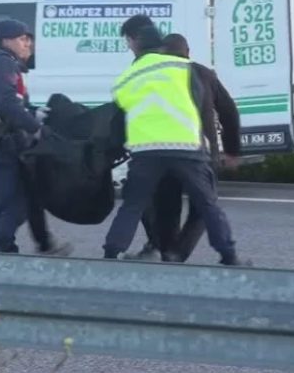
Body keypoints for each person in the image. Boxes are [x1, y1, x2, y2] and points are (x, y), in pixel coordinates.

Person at [102, 14, 249, 266]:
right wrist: (229, 148)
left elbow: (121, 115)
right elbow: (203, 102)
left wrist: (111, 151)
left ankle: (113, 253)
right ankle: (227, 255)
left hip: (146, 151)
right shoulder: (187, 69)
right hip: (188, 147)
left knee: (136, 204)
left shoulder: (128, 76)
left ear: (134, 43)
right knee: (207, 205)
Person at [0, 18, 72, 256]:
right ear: (7, 41)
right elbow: (6, 103)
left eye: (29, 39)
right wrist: (35, 127)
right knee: (13, 205)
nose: (27, 44)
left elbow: (13, 103)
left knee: (23, 198)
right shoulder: (3, 64)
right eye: (22, 39)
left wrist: (35, 113)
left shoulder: (2, 62)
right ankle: (1, 254)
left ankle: (38, 245)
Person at [132, 32, 242, 262]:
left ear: (161, 54)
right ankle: (178, 252)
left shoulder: (154, 75)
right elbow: (229, 111)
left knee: (166, 205)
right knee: (203, 206)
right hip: (199, 152)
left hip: (160, 151)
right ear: (188, 53)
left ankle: (168, 252)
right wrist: (231, 150)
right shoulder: (203, 74)